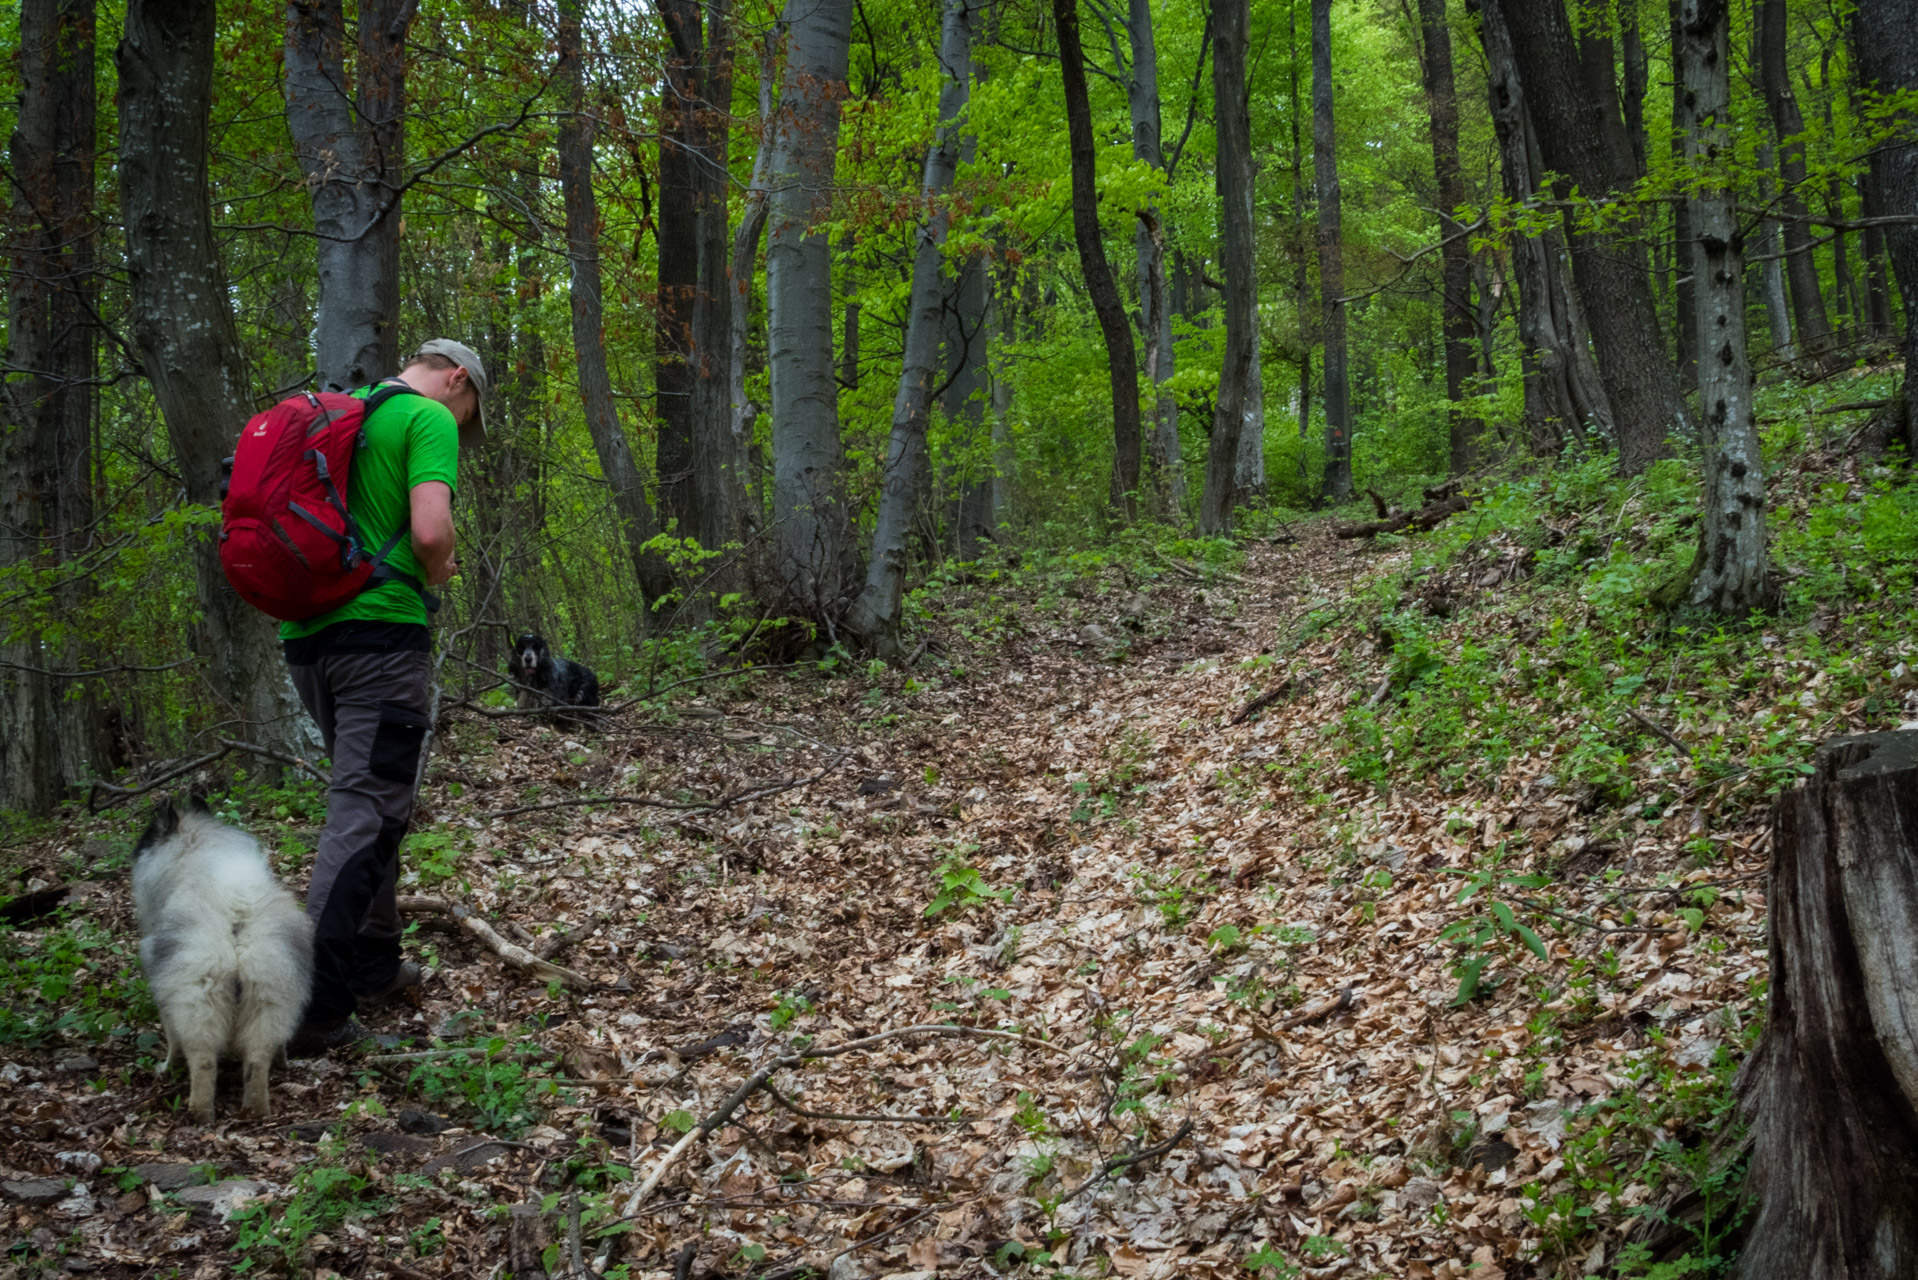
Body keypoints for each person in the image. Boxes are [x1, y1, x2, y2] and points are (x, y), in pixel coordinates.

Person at [283, 340, 487, 1056]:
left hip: (308, 638)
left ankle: (372, 963)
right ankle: (314, 1007)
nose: (461, 428)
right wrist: (441, 564)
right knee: (365, 813)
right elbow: (429, 530)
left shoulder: (340, 418)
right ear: (456, 380)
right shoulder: (425, 420)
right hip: (380, 637)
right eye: (469, 414)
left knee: (373, 804)